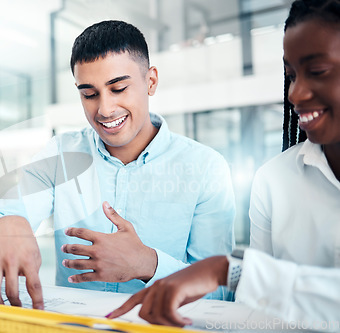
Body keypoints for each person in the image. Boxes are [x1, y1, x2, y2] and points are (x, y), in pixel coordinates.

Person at [0, 20, 236, 309]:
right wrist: (7, 226)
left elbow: (220, 294)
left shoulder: (205, 167)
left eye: (118, 88)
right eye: (89, 94)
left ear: (151, 82)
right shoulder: (61, 153)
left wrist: (148, 264)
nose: (105, 109)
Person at [107, 0, 340, 328]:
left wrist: (224, 269)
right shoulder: (275, 179)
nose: (296, 93)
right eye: (290, 75)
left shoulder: (205, 167)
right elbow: (253, 311)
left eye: (317, 72)